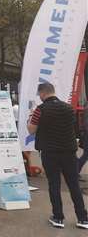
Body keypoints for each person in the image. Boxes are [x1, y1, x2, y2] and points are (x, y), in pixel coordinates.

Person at [27, 82, 88, 229]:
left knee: (54, 184)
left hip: (50, 153)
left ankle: (58, 218)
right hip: (69, 152)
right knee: (73, 184)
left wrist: (30, 117)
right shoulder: (68, 108)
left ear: (42, 93)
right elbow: (73, 128)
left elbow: (31, 130)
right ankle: (83, 219)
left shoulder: (40, 110)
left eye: (39, 94)